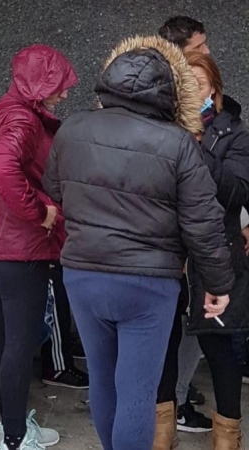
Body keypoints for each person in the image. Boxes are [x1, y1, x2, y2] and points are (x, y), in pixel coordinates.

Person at [43, 35, 234, 450]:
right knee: (137, 392)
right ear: (170, 91)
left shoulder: (73, 128)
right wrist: (218, 285)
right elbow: (204, 222)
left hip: (84, 274)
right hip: (149, 284)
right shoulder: (179, 143)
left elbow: (54, 188)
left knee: (103, 379)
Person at [0, 44, 77, 450]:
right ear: (39, 83)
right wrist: (40, 212)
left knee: (4, 336)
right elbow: (1, 168)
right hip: (20, 247)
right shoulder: (22, 118)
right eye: (59, 85)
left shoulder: (7, 108)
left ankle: (10, 423)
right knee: (19, 340)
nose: (65, 94)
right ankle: (15, 436)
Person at [182, 51, 248, 449]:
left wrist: (197, 148)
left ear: (215, 90)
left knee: (219, 350)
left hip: (216, 252)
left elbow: (238, 192)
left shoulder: (234, 133)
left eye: (200, 86)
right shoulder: (162, 127)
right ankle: (162, 434)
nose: (194, 93)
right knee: (166, 347)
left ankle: (227, 440)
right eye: (185, 86)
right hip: (169, 254)